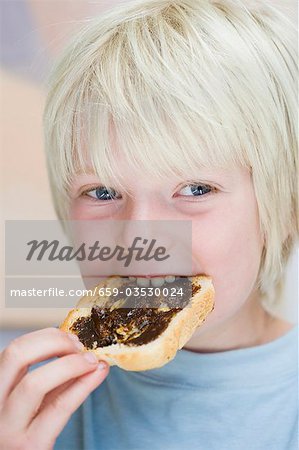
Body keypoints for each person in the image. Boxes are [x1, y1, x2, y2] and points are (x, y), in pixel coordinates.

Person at [0, 0, 297, 448]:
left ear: (285, 204)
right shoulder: (20, 407)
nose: (139, 240)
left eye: (196, 189)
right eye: (102, 193)